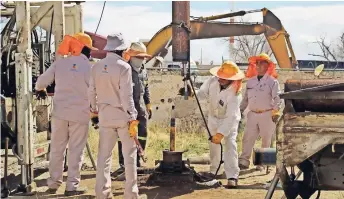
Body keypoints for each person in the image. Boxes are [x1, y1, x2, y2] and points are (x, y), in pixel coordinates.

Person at [35, 33, 97, 196]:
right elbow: (93, 92)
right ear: (84, 48)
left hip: (60, 113)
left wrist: (41, 90)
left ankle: (54, 183)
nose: (90, 52)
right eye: (89, 49)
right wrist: (94, 109)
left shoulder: (59, 63)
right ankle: (72, 187)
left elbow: (40, 83)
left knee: (57, 149)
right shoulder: (89, 68)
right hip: (80, 115)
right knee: (76, 150)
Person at [89, 33, 146, 199]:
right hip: (123, 117)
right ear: (122, 49)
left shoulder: (96, 67)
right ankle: (131, 194)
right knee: (129, 157)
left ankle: (102, 193)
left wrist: (94, 111)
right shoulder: (124, 67)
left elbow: (91, 91)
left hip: (105, 116)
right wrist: (132, 117)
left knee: (104, 158)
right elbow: (126, 96)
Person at [179, 61, 244, 188]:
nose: (220, 79)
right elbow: (202, 94)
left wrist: (221, 133)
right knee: (213, 145)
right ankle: (215, 171)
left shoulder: (235, 94)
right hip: (213, 118)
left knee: (230, 145)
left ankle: (232, 176)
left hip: (228, 121)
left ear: (231, 79)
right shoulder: (212, 81)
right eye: (220, 76)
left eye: (224, 77)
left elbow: (231, 116)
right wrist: (192, 93)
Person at [238, 53, 282, 171]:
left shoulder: (273, 82)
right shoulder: (250, 82)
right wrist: (239, 111)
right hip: (252, 114)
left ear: (267, 65)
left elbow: (278, 98)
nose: (257, 65)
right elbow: (245, 99)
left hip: (267, 114)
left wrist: (276, 111)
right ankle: (244, 161)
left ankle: (262, 164)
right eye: (256, 63)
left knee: (266, 139)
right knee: (247, 137)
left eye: (261, 63)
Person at [117, 41, 152, 173]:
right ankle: (123, 163)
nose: (141, 60)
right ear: (131, 56)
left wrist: (148, 104)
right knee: (125, 135)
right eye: (139, 57)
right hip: (126, 107)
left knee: (142, 133)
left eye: (143, 57)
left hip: (140, 107)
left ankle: (137, 160)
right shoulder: (124, 69)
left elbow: (146, 87)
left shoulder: (144, 70)